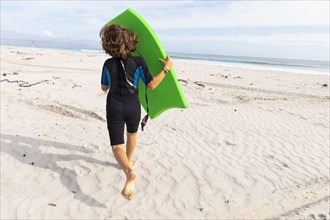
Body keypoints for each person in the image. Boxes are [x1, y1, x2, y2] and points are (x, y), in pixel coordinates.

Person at [99, 24, 173, 200]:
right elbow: (152, 85)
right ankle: (129, 160)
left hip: (114, 105)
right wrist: (167, 67)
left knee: (117, 146)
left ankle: (128, 170)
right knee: (132, 134)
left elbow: (103, 88)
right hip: (133, 105)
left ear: (109, 44)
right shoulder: (139, 62)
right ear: (131, 42)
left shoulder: (108, 64)